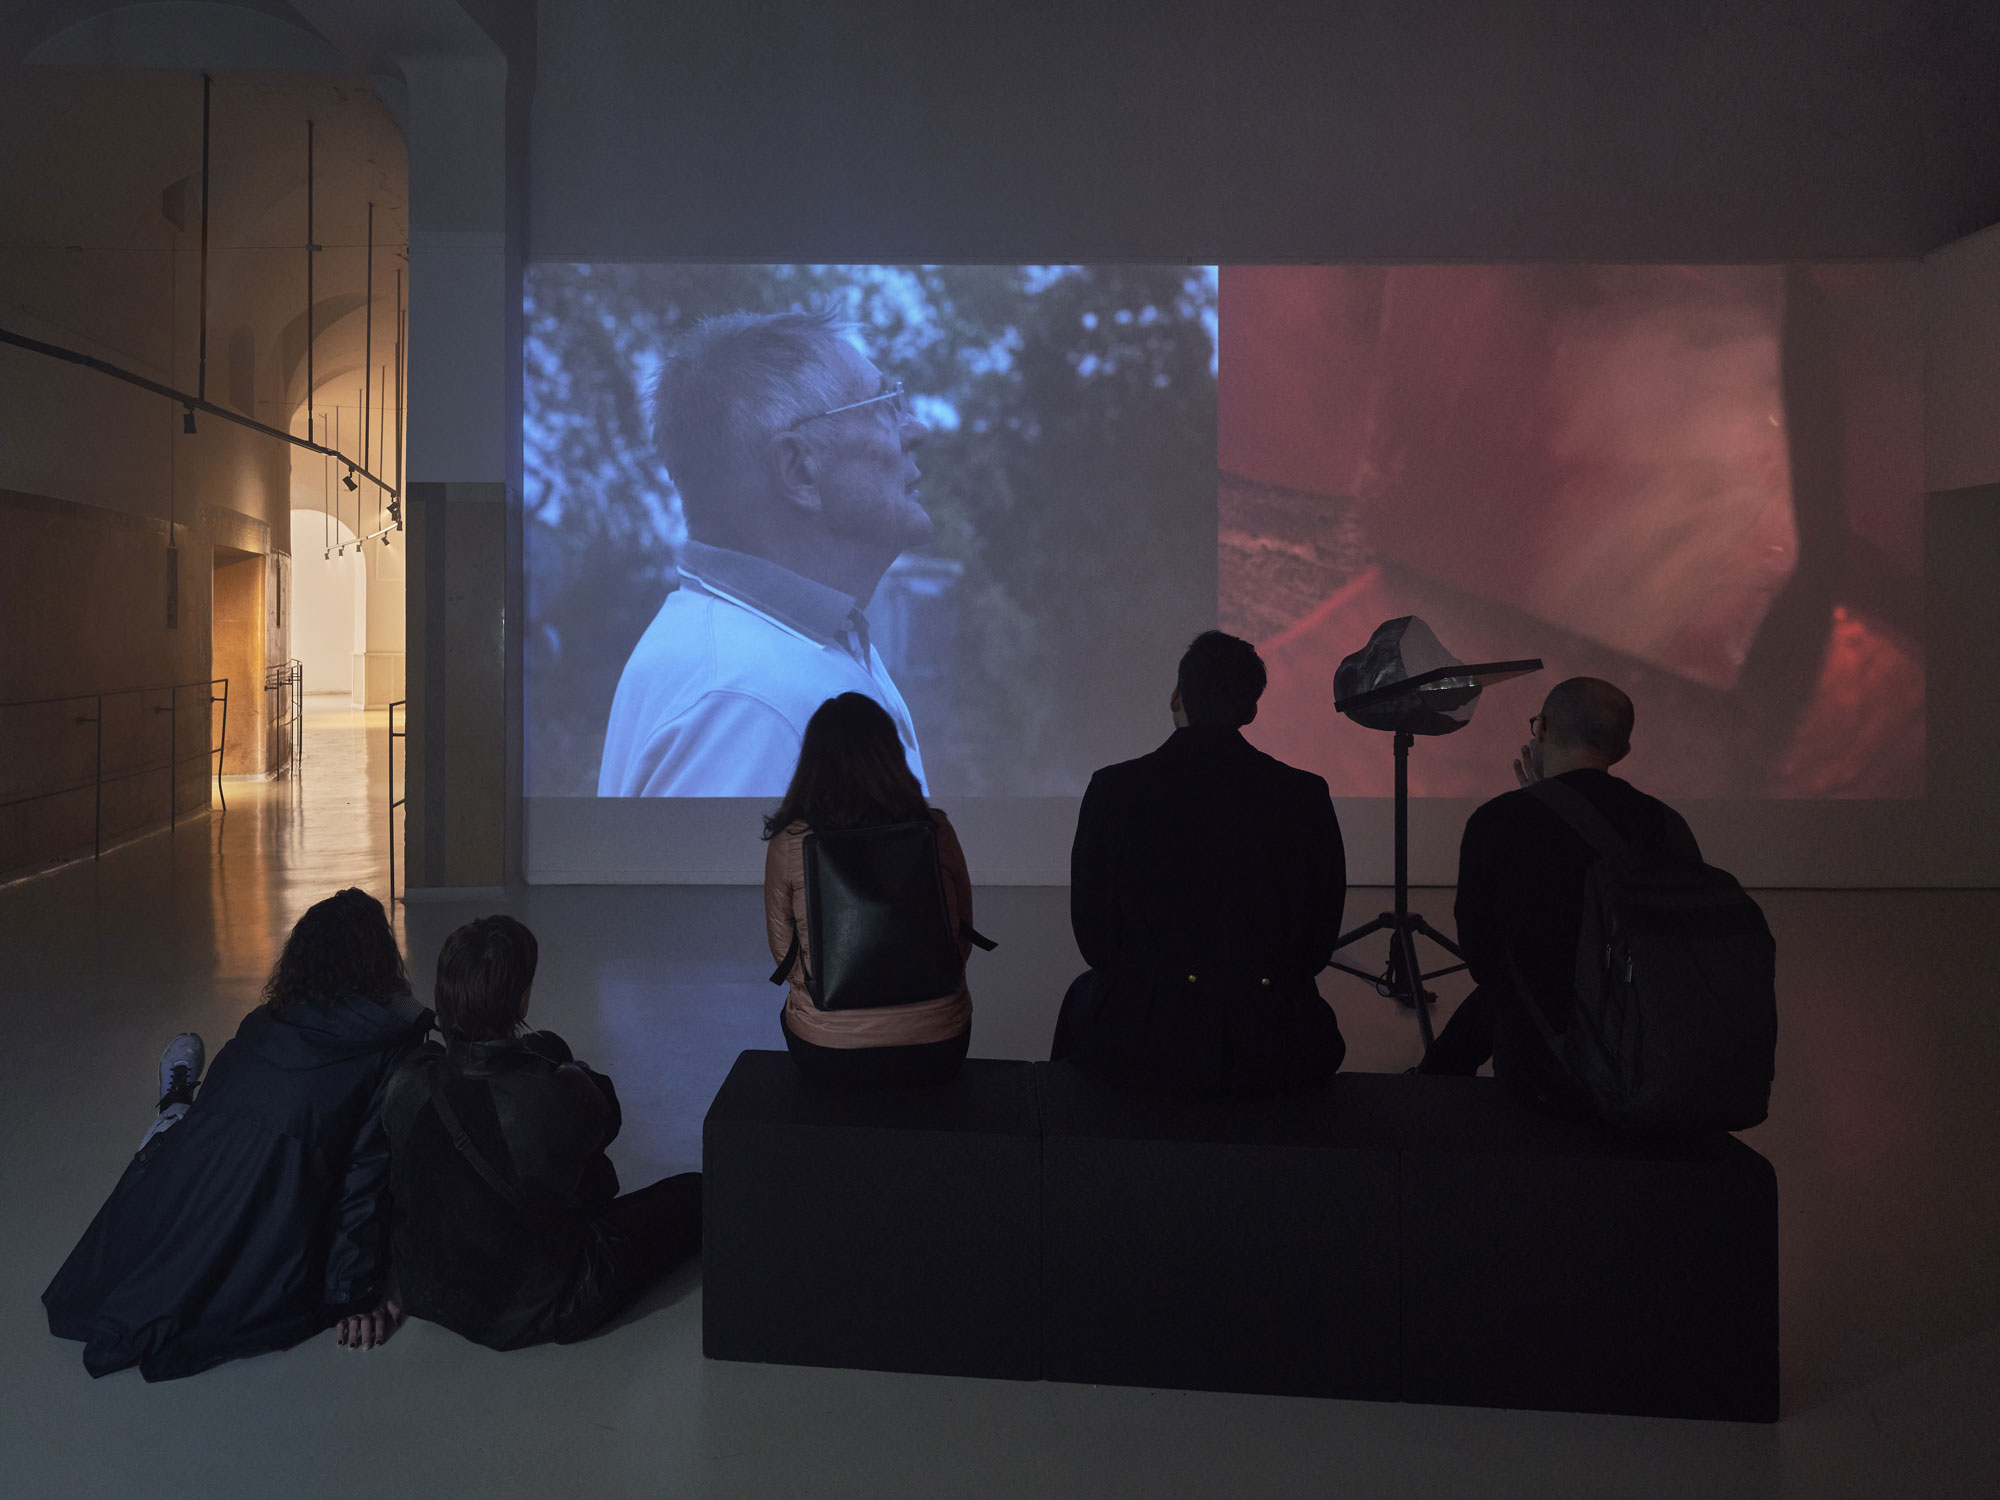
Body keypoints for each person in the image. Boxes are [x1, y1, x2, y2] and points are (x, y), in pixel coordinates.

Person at [42, 888, 427, 1380]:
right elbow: (363, 1181)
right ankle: (171, 1117)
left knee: (186, 1141)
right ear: (380, 960)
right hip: (274, 1222)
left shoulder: (262, 1024)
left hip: (192, 1185)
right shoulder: (385, 1051)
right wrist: (354, 1296)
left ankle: (169, 1117)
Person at [599, 309, 934, 797]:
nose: (917, 429)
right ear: (799, 469)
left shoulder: (783, 652)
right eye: (884, 405)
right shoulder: (748, 701)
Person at [381, 915, 703, 1350]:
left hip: (433, 1294)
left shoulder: (409, 1082)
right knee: (692, 1196)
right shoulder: (554, 1096)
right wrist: (574, 1073)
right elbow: (606, 1121)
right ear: (522, 999)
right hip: (541, 1305)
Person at [1051, 630, 1349, 1094]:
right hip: (1274, 1037)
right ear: (1251, 709)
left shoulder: (1116, 789)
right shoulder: (1304, 794)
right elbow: (1317, 939)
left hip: (1141, 1034)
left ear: (1176, 697)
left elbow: (1096, 937)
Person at [1419, 676, 1703, 1100]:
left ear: (1543, 729)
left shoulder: (1499, 822)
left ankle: (1427, 1087)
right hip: (1647, 1048)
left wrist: (1541, 802)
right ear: (1622, 750)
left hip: (1541, 1057)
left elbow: (1484, 959)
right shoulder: (1669, 825)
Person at [764, 692, 975, 1086]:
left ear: (812, 762)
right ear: (892, 755)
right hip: (937, 1045)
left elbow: (785, 953)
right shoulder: (936, 828)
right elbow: (960, 933)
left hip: (828, 1051)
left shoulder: (792, 841)